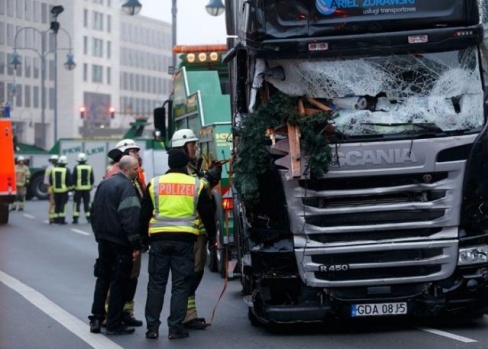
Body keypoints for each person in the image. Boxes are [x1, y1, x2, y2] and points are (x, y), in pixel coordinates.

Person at [140, 149, 217, 340]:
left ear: (169, 164)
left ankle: (152, 328)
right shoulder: (196, 184)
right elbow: (207, 215)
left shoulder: (155, 184)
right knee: (180, 286)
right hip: (184, 242)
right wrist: (213, 238)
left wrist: (142, 239)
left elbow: (143, 215)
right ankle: (175, 328)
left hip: (158, 240)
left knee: (156, 285)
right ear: (185, 165)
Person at [170, 129, 222, 329]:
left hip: (196, 230)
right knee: (190, 274)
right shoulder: (181, 170)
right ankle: (183, 316)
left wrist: (209, 176)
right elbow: (195, 188)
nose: (195, 148)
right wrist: (210, 178)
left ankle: (188, 315)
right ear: (182, 148)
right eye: (192, 145)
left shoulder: (192, 167)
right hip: (188, 232)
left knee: (196, 272)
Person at [88, 155, 142, 336]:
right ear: (126, 170)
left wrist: (98, 235)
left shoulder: (105, 184)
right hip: (120, 243)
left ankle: (96, 318)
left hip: (104, 241)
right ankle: (113, 324)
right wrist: (136, 244)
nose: (138, 172)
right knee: (119, 283)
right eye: (135, 169)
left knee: (103, 279)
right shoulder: (126, 187)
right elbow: (129, 218)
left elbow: (93, 211)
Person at [104, 139, 145, 326]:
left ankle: (126, 311)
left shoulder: (135, 174)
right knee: (119, 276)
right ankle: (111, 314)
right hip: (123, 236)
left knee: (132, 276)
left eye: (137, 151)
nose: (137, 154)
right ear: (123, 155)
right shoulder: (115, 174)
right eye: (133, 151)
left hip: (132, 234)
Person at [72, 152, 94, 224]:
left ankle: (75, 218)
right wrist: (91, 186)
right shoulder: (89, 167)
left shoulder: (76, 167)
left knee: (76, 203)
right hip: (87, 188)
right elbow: (91, 178)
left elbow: (74, 178)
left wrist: (73, 187)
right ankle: (89, 218)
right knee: (87, 203)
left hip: (78, 188)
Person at [49, 155, 72, 225]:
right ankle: (62, 220)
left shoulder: (53, 170)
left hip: (55, 190)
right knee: (63, 205)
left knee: (56, 204)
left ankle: (56, 219)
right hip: (63, 191)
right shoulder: (66, 170)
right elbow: (69, 181)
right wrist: (70, 188)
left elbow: (51, 180)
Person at [44, 155, 59, 223]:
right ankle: (51, 218)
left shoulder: (52, 168)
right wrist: (48, 190)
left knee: (55, 203)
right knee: (52, 203)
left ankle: (54, 217)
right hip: (52, 188)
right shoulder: (50, 168)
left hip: (56, 188)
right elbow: (47, 180)